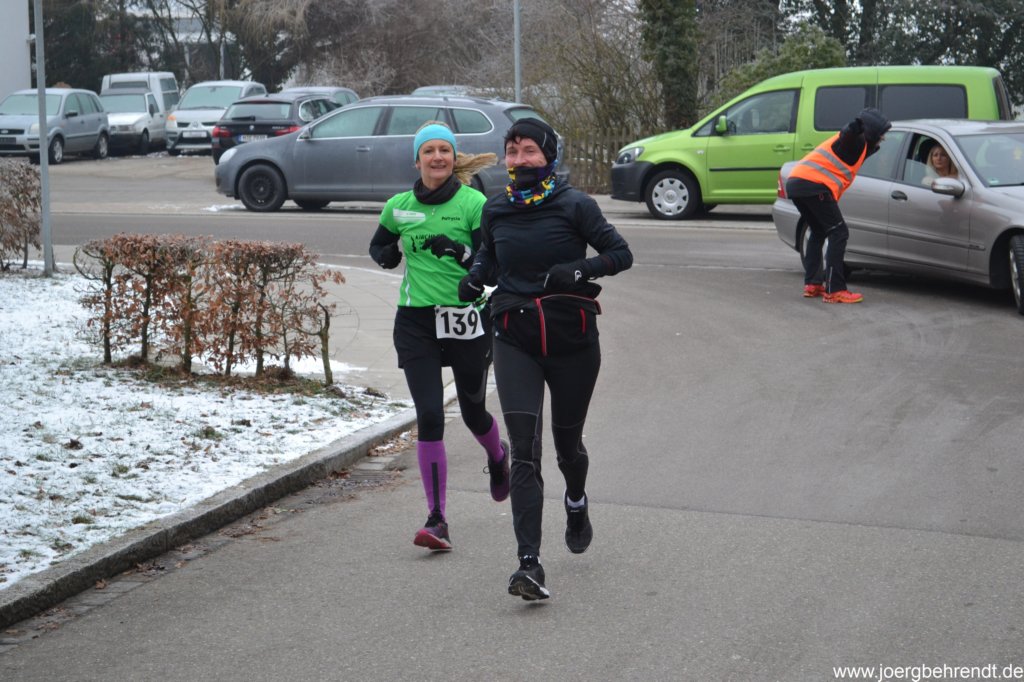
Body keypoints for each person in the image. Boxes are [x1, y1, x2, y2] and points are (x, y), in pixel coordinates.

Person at [458, 118, 633, 600]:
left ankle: (575, 500)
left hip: (571, 341)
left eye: (529, 151)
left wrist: (579, 268)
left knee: (567, 447)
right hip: (514, 338)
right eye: (512, 151)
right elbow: (489, 256)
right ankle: (529, 564)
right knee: (524, 449)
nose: (520, 160)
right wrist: (475, 277)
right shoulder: (496, 209)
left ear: (549, 156)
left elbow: (620, 253)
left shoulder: (575, 205)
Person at [368, 122, 507, 552]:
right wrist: (386, 254)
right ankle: (437, 519)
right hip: (416, 322)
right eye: (428, 150)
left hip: (466, 317)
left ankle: (498, 456)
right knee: (429, 415)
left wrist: (463, 256)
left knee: (472, 412)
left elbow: (492, 264)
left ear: (453, 157)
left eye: (444, 150)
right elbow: (378, 245)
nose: (437, 157)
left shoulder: (473, 204)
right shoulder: (399, 207)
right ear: (417, 160)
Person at [786, 107, 891, 304]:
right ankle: (835, 289)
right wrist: (856, 125)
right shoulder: (855, 140)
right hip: (814, 185)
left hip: (797, 184)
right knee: (839, 232)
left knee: (818, 231)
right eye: (881, 134)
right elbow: (847, 135)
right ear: (871, 131)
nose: (883, 138)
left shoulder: (862, 146)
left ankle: (812, 284)